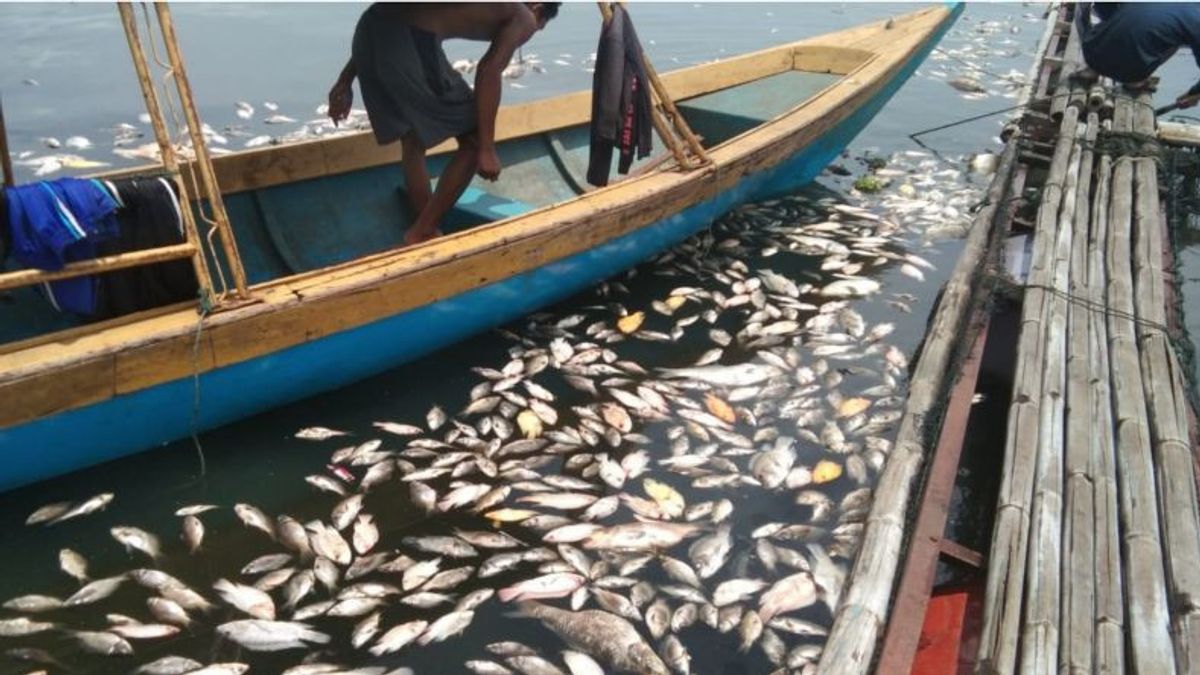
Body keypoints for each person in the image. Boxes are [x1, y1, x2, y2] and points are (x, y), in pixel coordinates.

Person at [327, 3, 561, 246]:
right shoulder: (525, 15)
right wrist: (487, 148)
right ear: (538, 7)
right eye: (540, 24)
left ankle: (425, 231)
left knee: (413, 140)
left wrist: (345, 81)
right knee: (474, 138)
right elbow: (489, 70)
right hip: (409, 39)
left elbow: (387, 21)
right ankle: (423, 230)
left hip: (369, 32)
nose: (533, 31)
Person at [1074, 3, 1200, 109]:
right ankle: (1134, 82)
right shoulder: (1196, 19)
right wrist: (1194, 93)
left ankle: (1093, 70)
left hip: (1091, 53)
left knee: (1130, 21)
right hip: (1128, 72)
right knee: (1175, 41)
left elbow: (1104, 7)